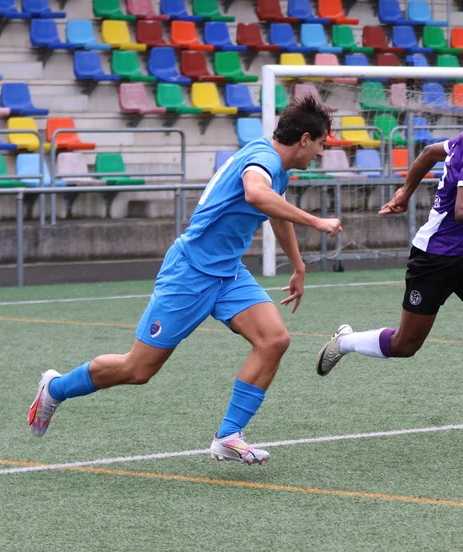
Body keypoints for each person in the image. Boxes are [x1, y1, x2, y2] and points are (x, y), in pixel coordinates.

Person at [28, 96, 344, 464]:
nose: (321, 153)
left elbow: (275, 212)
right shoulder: (264, 158)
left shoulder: (279, 167)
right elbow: (256, 194)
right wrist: (317, 221)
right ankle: (55, 388)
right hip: (190, 273)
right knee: (138, 369)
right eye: (321, 144)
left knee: (274, 340)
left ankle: (228, 436)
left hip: (228, 274)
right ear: (304, 139)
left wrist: (298, 265)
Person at [314, 95, 463, 441]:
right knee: (405, 344)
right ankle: (345, 342)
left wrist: (405, 192)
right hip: (434, 257)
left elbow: (427, 153)